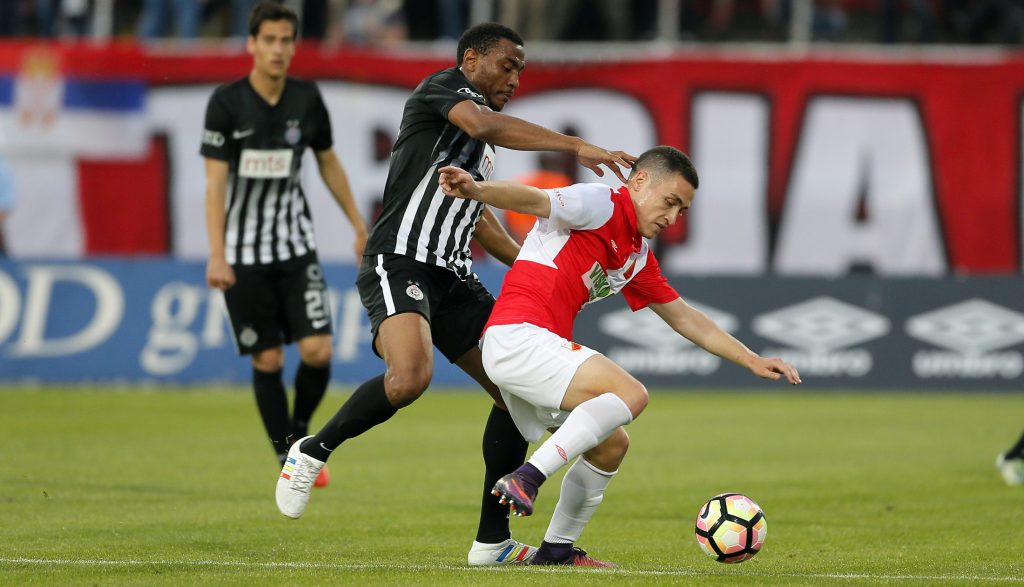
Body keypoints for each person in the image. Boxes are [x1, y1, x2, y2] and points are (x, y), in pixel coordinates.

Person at [273, 21, 635, 567]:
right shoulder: (442, 91)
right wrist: (575, 145)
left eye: (521, 70)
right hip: (399, 260)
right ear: (470, 61)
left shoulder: (481, 153)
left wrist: (540, 267)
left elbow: (479, 220)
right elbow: (486, 124)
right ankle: (312, 450)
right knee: (409, 378)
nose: (514, 78)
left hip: (454, 277)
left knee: (515, 391)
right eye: (506, 65)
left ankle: (493, 543)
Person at [436, 145, 802, 566]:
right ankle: (528, 476)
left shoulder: (635, 257)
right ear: (639, 181)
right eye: (670, 201)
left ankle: (555, 551)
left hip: (533, 350)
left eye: (681, 210)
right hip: (518, 336)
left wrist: (751, 359)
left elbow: (686, 318)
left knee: (610, 445)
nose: (672, 217)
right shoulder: (601, 203)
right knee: (631, 394)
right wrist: (477, 190)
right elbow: (534, 199)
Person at [201, 1, 368, 487]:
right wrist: (217, 254)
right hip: (243, 254)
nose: (277, 49)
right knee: (269, 358)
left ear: (293, 47)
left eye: (285, 41)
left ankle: (298, 437)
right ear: (252, 44)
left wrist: (359, 224)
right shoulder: (226, 103)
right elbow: (215, 184)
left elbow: (328, 162)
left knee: (317, 351)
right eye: (268, 40)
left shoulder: (306, 99)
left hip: (296, 246)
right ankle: (286, 455)